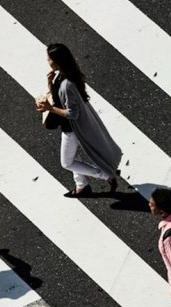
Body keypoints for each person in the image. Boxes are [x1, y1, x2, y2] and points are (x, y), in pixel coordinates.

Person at [35, 43, 122, 198]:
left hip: (72, 129)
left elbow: (72, 113)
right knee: (73, 157)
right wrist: (49, 84)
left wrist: (49, 108)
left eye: (49, 59)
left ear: (57, 60)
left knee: (66, 162)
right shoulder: (62, 74)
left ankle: (106, 175)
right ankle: (82, 186)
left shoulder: (67, 84)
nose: (47, 62)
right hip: (69, 126)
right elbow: (60, 98)